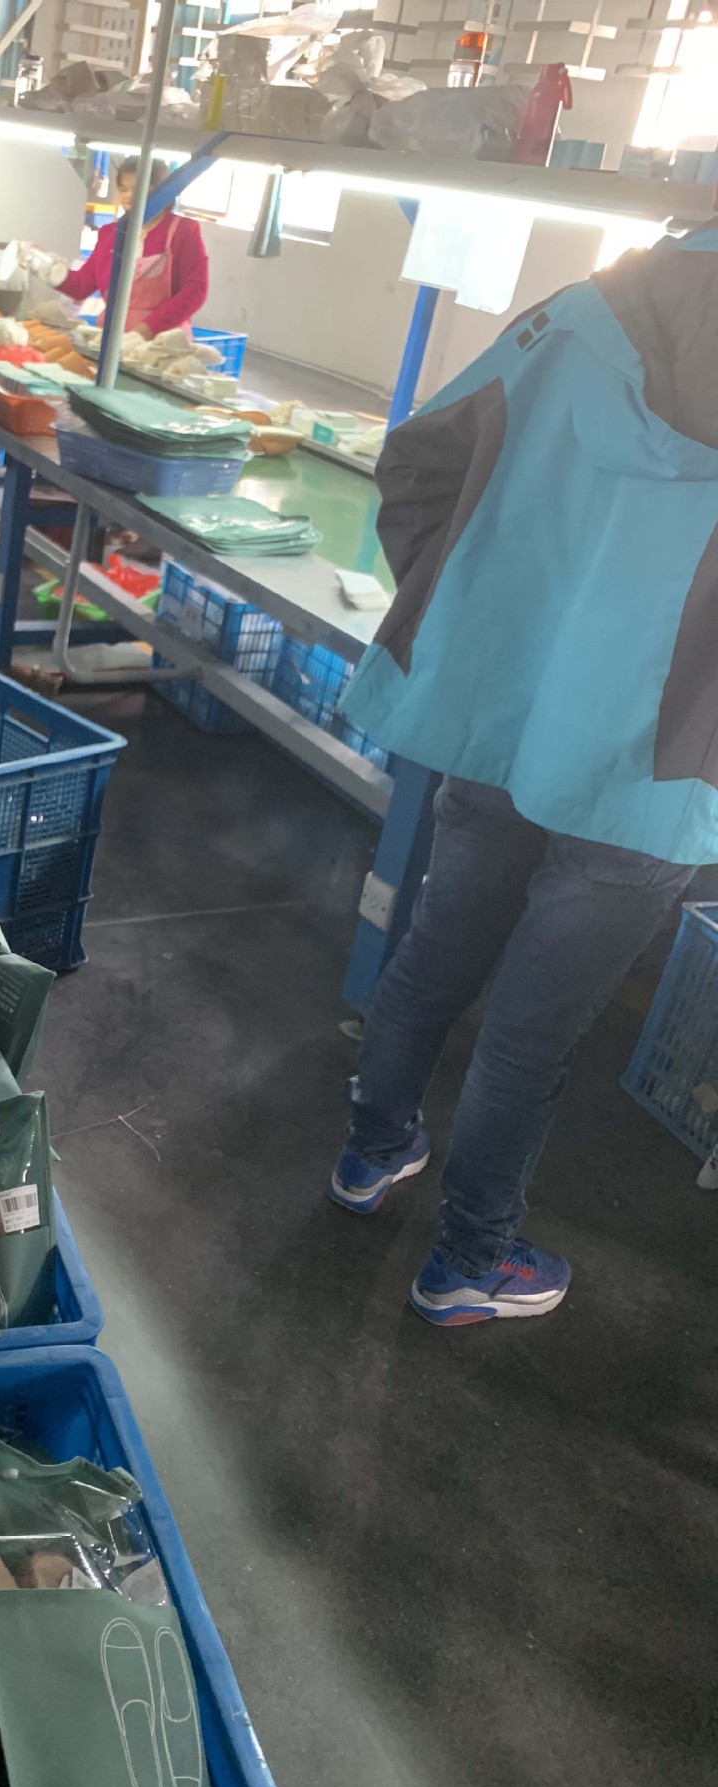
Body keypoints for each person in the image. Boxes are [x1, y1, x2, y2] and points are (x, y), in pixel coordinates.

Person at [328, 222, 718, 1329]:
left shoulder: (581, 317)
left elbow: (417, 463)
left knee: (432, 954)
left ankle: (370, 1154)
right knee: (529, 1037)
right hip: (654, 774)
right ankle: (470, 1258)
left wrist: (474, 627)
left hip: (504, 712)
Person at [58, 158, 209, 341]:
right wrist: (47, 267)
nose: (129, 196)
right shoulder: (111, 234)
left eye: (138, 189)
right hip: (110, 338)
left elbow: (195, 290)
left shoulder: (182, 231)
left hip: (161, 342)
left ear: (162, 190)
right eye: (123, 189)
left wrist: (146, 330)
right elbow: (81, 286)